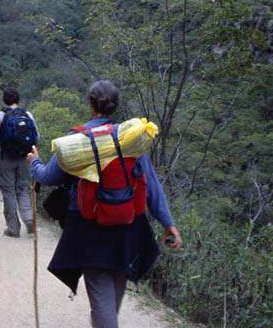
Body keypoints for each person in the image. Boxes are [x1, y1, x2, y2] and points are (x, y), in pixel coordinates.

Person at [28, 80, 182, 328]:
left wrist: (34, 162)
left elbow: (49, 177)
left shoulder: (77, 139)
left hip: (89, 227)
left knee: (100, 295)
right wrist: (168, 223)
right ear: (115, 106)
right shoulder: (132, 138)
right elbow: (151, 184)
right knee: (115, 287)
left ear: (90, 104)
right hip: (127, 225)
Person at [0, 87, 39, 237]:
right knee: (22, 189)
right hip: (25, 158)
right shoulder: (27, 114)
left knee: (8, 191)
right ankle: (29, 221)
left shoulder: (1, 115)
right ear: (18, 99)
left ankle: (13, 228)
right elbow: (37, 137)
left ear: (5, 100)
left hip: (6, 158)